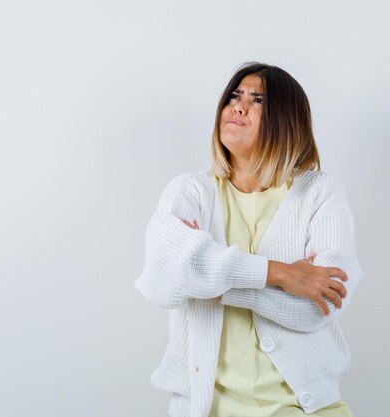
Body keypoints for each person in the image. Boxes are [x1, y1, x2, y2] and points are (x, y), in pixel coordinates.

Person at [135, 62, 363, 417]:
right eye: (234, 96)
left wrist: (206, 283)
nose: (238, 106)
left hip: (306, 409)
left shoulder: (320, 193)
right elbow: (161, 282)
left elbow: (317, 307)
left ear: (287, 121)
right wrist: (281, 274)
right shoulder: (190, 192)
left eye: (257, 100)